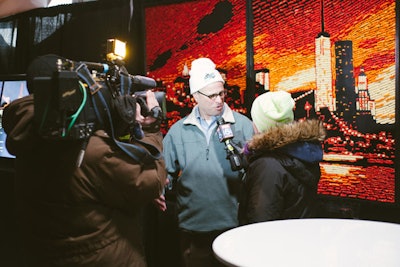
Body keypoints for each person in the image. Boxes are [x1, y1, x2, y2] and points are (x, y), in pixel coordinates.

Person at [2, 55, 167, 267]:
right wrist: (150, 129)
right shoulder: (87, 149)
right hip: (103, 257)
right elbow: (151, 182)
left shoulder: (29, 134)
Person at [162, 57, 254, 267]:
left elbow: (256, 174)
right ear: (195, 96)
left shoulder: (243, 125)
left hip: (234, 228)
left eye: (221, 93)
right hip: (193, 230)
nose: (219, 100)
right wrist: (160, 186)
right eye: (211, 95)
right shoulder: (178, 131)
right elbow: (164, 172)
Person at [238, 91, 326, 225]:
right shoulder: (304, 151)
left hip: (275, 242)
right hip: (299, 237)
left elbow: (261, 221)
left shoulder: (267, 166)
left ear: (260, 125)